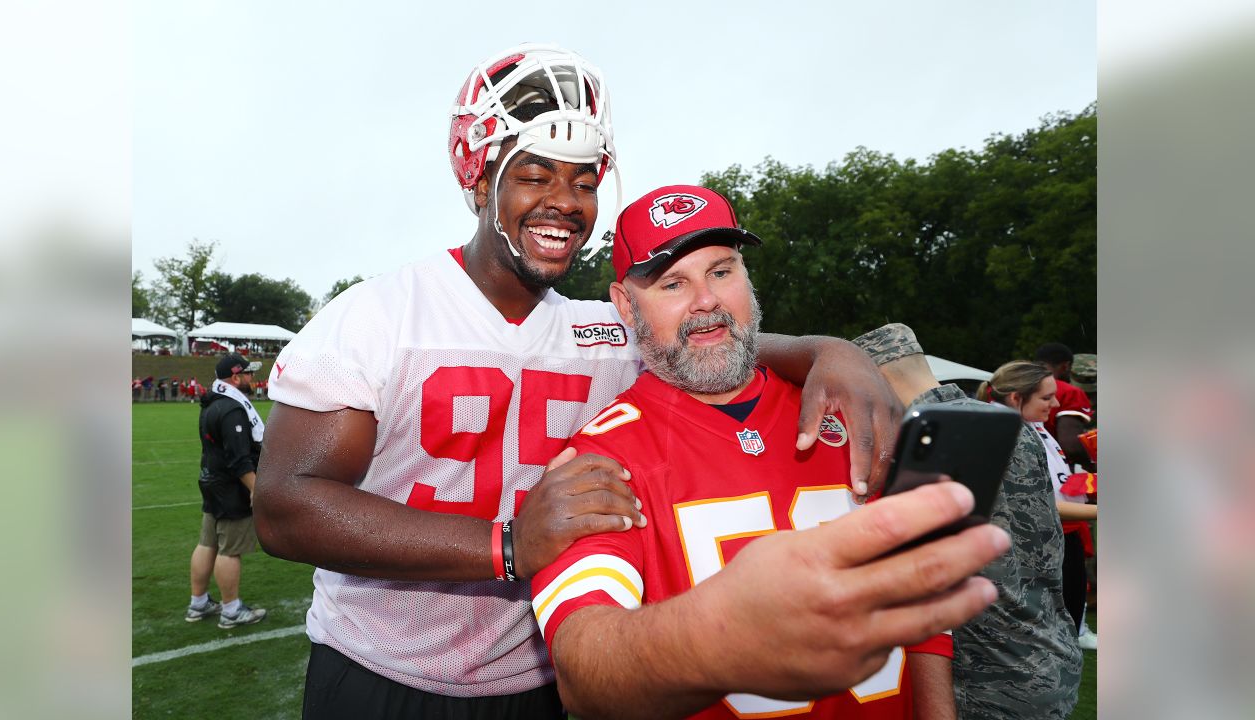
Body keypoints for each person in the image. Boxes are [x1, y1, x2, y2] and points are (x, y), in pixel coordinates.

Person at [255, 44, 942, 720]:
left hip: (537, 680)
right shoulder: (378, 316)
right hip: (382, 671)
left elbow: (717, 339)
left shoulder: (604, 331)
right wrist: (506, 547)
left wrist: (831, 351)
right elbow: (286, 507)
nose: (564, 202)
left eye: (583, 183)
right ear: (477, 175)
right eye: (535, 175)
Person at [528, 188, 1005, 720]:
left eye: (722, 271)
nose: (706, 301)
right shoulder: (600, 455)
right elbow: (584, 671)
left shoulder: (849, 408)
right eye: (673, 283)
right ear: (624, 304)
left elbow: (919, 594)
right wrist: (719, 637)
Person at [852, 324, 1082, 719]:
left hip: (989, 673)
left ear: (877, 379)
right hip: (1047, 652)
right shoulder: (1002, 424)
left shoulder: (928, 444)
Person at [979, 361, 1098, 650]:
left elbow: (1050, 485)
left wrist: (1082, 486)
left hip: (1055, 537)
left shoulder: (1028, 425)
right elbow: (1037, 503)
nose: (1055, 403)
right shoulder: (1008, 433)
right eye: (1046, 398)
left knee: (1064, 621)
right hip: (1032, 544)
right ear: (1016, 398)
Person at [186, 352, 268, 629]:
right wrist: (255, 489)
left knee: (207, 543)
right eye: (248, 374)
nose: (252, 379)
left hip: (211, 480)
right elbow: (238, 459)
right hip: (230, 487)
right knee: (229, 550)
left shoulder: (211, 403)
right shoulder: (232, 408)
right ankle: (231, 610)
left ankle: (198, 603)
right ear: (236, 376)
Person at [1035, 342, 1095, 470]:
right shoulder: (1069, 391)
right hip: (1054, 470)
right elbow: (1071, 446)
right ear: (1066, 366)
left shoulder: (1009, 387)